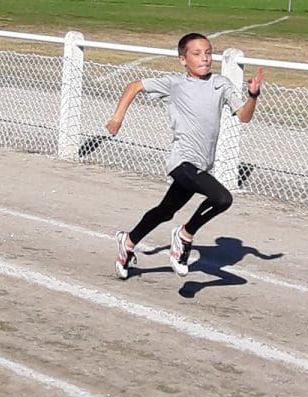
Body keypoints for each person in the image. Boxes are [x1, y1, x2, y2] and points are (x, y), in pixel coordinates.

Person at [107, 32, 264, 279]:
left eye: (208, 53)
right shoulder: (174, 84)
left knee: (165, 211)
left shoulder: (220, 84)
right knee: (222, 198)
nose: (205, 58)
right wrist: (117, 118)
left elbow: (244, 116)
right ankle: (184, 235)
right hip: (181, 161)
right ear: (183, 60)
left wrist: (253, 96)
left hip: (201, 165)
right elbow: (135, 85)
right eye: (197, 54)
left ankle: (128, 242)